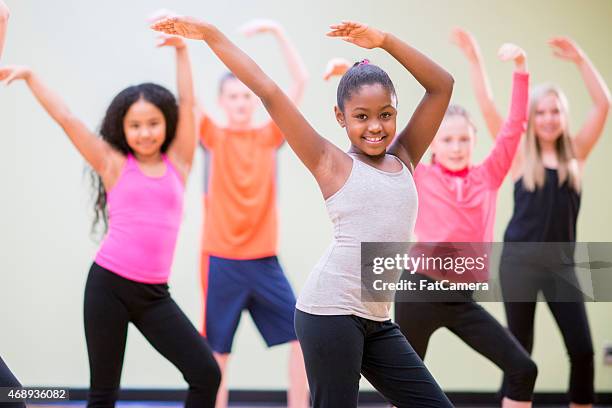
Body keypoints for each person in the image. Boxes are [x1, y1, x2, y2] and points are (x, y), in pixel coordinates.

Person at [152, 16, 454, 408]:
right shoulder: (329, 162)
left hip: (377, 319)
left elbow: (441, 85)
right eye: (361, 116)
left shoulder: (406, 156)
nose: (376, 126)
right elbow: (268, 90)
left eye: (386, 114)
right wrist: (211, 35)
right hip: (329, 313)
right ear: (340, 118)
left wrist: (383, 40)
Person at [0, 33, 221, 407]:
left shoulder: (179, 163)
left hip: (154, 295)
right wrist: (30, 76)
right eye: (135, 126)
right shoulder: (113, 165)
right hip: (108, 286)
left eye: (153, 123)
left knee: (206, 373)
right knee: (104, 392)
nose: (145, 133)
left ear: (166, 123)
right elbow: (66, 119)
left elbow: (189, 103)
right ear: (123, 128)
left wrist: (183, 51)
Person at [452, 28, 611, 408]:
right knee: (519, 353)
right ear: (532, 118)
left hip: (563, 265)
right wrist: (475, 58)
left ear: (563, 116)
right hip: (519, 263)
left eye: (555, 111)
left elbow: (604, 103)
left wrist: (580, 60)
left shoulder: (577, 154)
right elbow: (488, 105)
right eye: (540, 112)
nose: (548, 118)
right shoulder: (521, 156)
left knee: (584, 351)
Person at [196, 18, 309, 408]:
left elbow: (300, 82)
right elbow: (185, 98)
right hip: (222, 260)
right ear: (222, 102)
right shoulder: (212, 135)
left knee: (302, 336)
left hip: (264, 260)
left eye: (247, 96)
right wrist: (182, 44)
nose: (241, 103)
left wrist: (279, 33)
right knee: (217, 351)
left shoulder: (268, 135)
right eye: (233, 97)